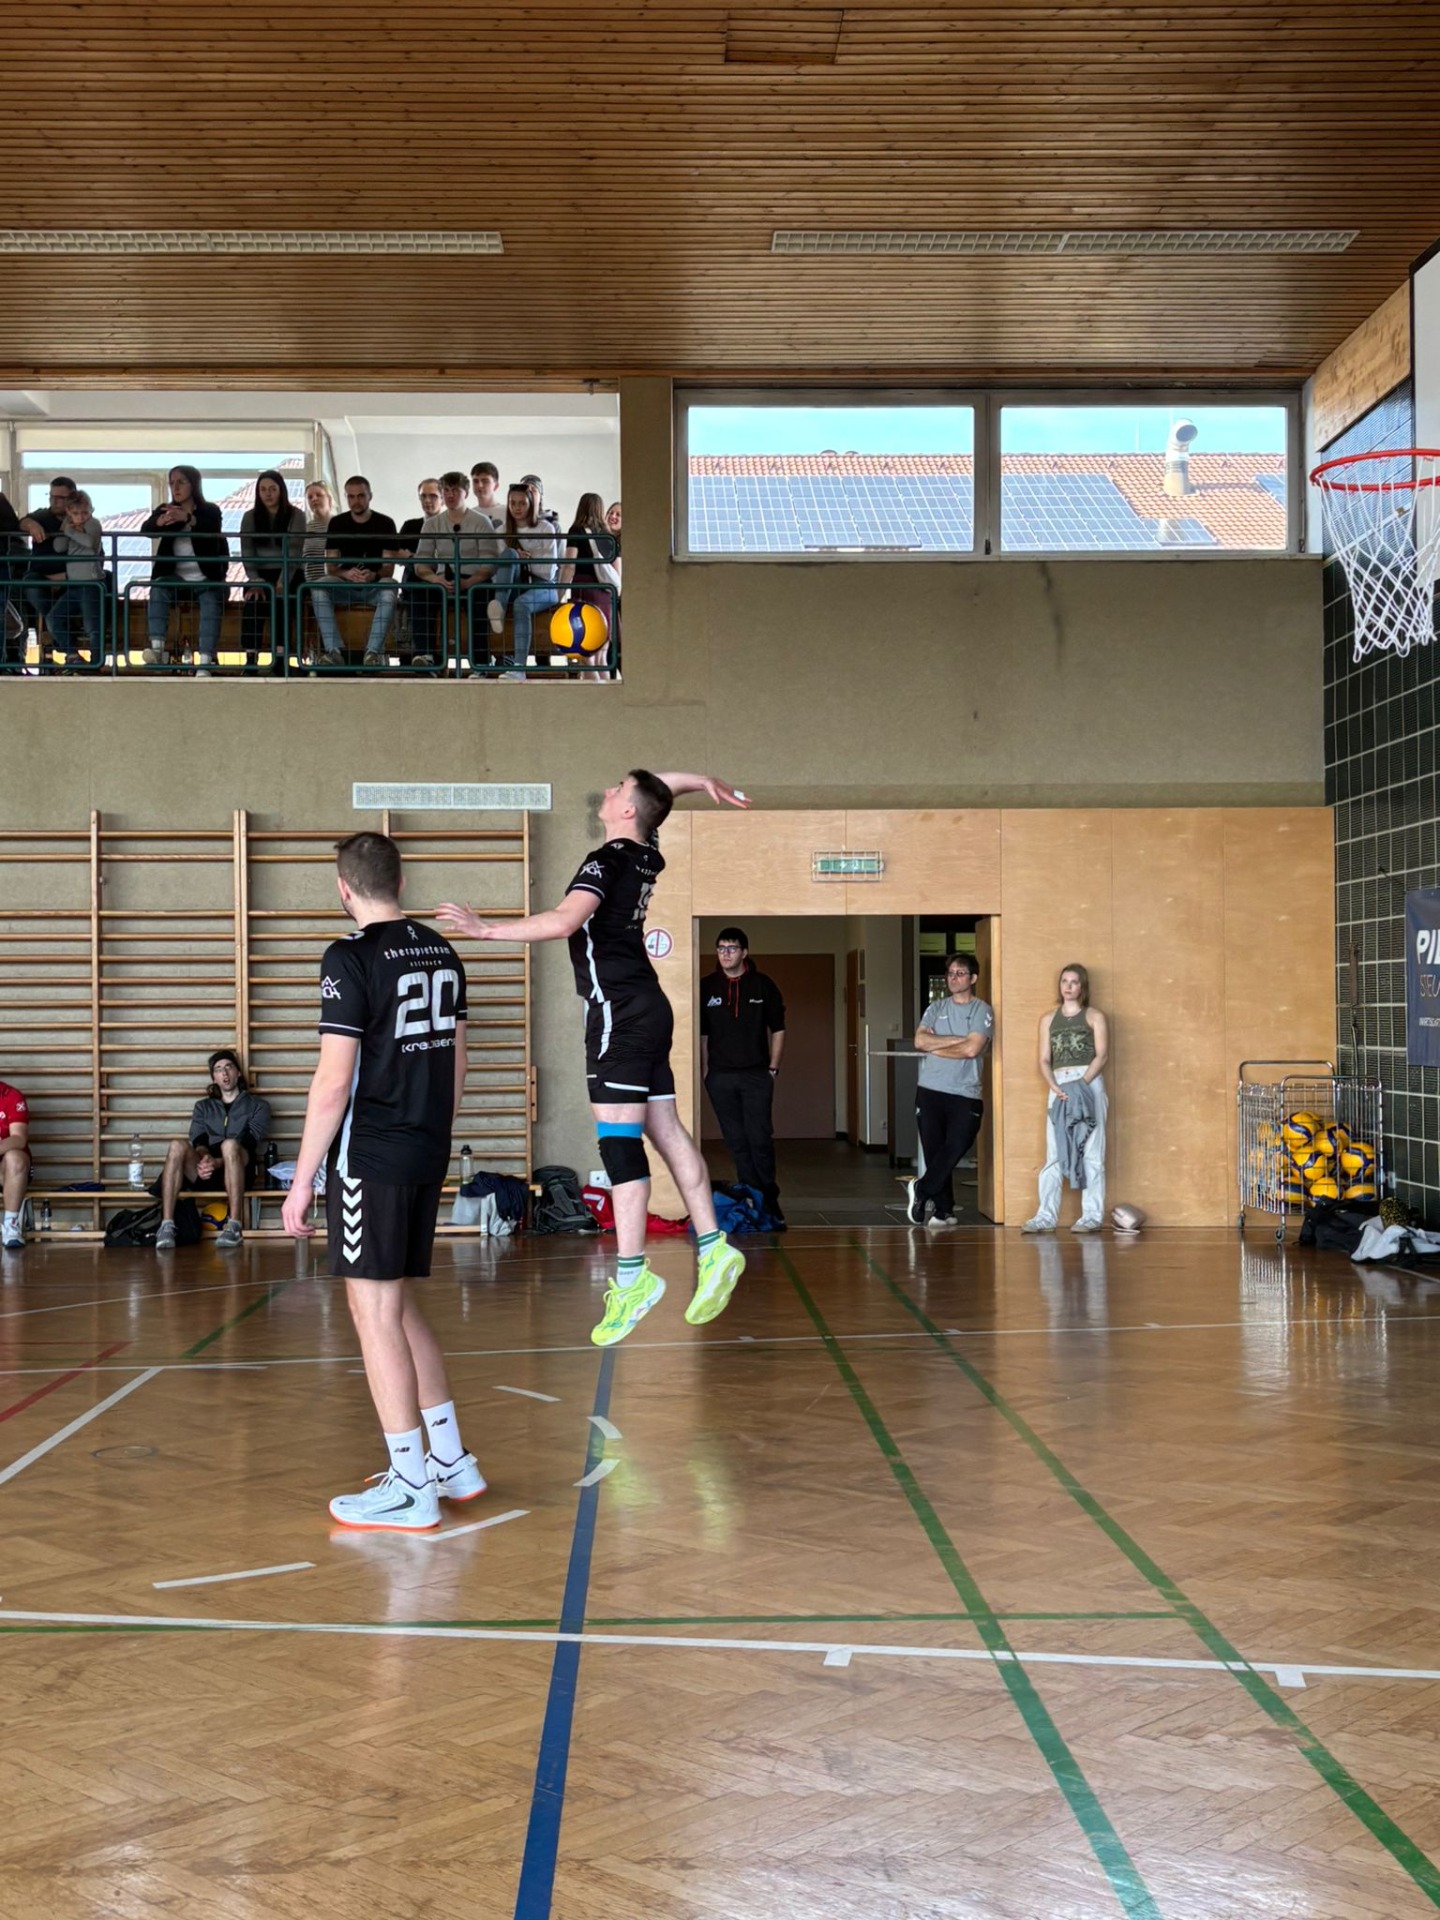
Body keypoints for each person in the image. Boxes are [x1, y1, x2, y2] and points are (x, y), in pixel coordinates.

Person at [437, 770, 749, 1346]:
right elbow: (655, 793)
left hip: (617, 1014)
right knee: (666, 1129)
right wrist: (700, 780)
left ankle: (632, 1278)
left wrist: (485, 932)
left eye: (616, 789)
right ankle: (713, 1247)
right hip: (649, 1007)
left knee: (619, 1143)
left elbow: (564, 921)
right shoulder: (647, 853)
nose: (606, 791)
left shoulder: (606, 860)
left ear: (629, 811)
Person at [281, 832, 482, 1532]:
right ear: (400, 881)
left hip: (368, 1157)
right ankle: (450, 1460)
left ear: (344, 887)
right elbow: (457, 1064)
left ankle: (410, 1484)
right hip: (425, 1148)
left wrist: (301, 1180)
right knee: (396, 1306)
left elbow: (333, 1082)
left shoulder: (350, 956)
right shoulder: (442, 949)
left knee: (372, 1315)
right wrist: (429, 1134)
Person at [699, 927, 787, 1227]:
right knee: (736, 1140)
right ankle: (751, 1197)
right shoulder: (706, 986)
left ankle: (768, 1200)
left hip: (756, 1076)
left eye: (732, 948)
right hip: (720, 1077)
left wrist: (773, 1068)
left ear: (744, 952)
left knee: (759, 1139)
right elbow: (702, 1035)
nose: (726, 953)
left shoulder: (763, 985)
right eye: (721, 948)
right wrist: (705, 1072)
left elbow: (778, 1029)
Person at [907, 953, 994, 1228]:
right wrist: (959, 1040)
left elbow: (972, 1049)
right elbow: (920, 1041)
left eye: (960, 973)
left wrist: (938, 1045)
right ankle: (944, 1211)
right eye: (950, 973)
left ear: (973, 978)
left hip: (965, 1093)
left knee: (957, 1145)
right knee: (935, 1152)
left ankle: (921, 1189)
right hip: (930, 1089)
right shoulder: (936, 1007)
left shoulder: (982, 1010)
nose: (953, 978)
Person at [1023, 963, 1110, 1235]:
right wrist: (1055, 1086)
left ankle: (1091, 1216)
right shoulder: (1048, 1019)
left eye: (1074, 982)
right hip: (1059, 1085)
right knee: (1054, 1152)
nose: (1068, 986)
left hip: (1088, 1082)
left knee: (1092, 1151)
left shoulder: (1095, 1016)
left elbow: (1102, 1055)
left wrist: (1080, 1085)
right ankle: (1045, 1216)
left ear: (1082, 986)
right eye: (1064, 981)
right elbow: (1044, 1059)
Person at [157, 1049, 273, 1251]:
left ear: (238, 1072)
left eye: (229, 1067)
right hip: (206, 1170)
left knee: (230, 1145)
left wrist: (218, 1162)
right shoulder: (203, 1107)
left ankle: (234, 1226)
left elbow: (249, 1142)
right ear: (214, 1077)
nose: (224, 1073)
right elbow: (199, 1139)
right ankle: (166, 1225)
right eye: (218, 1069)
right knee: (177, 1145)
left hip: (240, 1167)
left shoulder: (258, 1106)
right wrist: (205, 1159)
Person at [140, 466, 229, 676]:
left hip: (206, 578)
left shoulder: (209, 510)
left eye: (181, 482)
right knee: (158, 588)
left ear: (193, 484)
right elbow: (147, 529)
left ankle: (205, 660)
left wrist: (187, 518)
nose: (176, 487)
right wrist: (161, 521)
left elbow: (211, 527)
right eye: (172, 483)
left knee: (210, 600)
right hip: (175, 578)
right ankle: (157, 650)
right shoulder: (166, 509)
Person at [413, 471, 500, 673]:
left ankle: (480, 663)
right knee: (419, 593)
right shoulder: (431, 524)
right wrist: (434, 579)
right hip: (443, 580)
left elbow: (489, 563)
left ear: (466, 493)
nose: (450, 495)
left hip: (474, 580)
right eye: (446, 490)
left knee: (479, 598)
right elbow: (421, 562)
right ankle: (425, 655)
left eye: (455, 490)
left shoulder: (481, 522)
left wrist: (469, 582)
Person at [313, 476, 400, 668]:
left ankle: (373, 653)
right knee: (318, 586)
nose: (356, 501)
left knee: (391, 586)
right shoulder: (337, 523)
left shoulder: (385, 523)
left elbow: (389, 568)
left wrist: (374, 575)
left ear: (370, 496)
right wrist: (346, 574)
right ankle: (334, 651)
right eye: (351, 497)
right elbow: (331, 567)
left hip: (374, 586)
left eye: (361, 496)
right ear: (346, 498)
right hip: (345, 586)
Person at [487, 480, 564, 679]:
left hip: (544, 586)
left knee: (521, 604)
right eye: (513, 503)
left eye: (522, 503)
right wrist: (516, 557)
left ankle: (519, 668)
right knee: (510, 554)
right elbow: (497, 570)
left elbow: (547, 572)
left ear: (531, 504)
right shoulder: (501, 531)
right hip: (515, 584)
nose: (517, 508)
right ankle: (499, 607)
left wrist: (526, 561)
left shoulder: (545, 528)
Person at [239, 469, 303, 674]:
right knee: (253, 600)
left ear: (281, 490)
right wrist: (256, 580)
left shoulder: (296, 515)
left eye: (273, 489)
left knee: (282, 600)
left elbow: (294, 552)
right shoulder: (249, 517)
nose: (268, 494)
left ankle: (281, 657)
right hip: (260, 574)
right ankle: (251, 657)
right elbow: (247, 552)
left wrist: (283, 580)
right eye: (263, 489)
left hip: (289, 572)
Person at [17, 476, 77, 668]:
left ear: (72, 497)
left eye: (60, 498)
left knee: (98, 582)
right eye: (51, 496)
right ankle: (61, 635)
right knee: (30, 583)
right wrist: (30, 524)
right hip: (42, 581)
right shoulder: (42, 516)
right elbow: (21, 522)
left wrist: (63, 577)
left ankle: (58, 635)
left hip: (73, 581)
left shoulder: (81, 519)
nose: (54, 501)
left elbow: (96, 560)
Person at [560, 491, 619, 679]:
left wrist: (559, 593)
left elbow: (569, 566)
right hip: (605, 594)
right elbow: (616, 570)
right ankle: (607, 694)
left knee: (587, 655)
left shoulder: (576, 530)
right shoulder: (608, 536)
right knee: (602, 656)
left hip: (584, 590)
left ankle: (594, 694)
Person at [48, 489, 106, 668]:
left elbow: (90, 543)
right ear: (68, 512)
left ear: (91, 511)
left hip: (91, 584)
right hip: (73, 584)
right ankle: (72, 654)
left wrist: (71, 532)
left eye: (85, 512)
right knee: (53, 618)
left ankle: (96, 663)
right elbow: (59, 547)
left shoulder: (93, 524)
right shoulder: (70, 526)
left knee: (92, 626)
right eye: (75, 513)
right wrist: (67, 528)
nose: (81, 517)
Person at [392, 478, 442, 667]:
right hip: (414, 584)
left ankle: (426, 655)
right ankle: (417, 655)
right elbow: (397, 554)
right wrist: (419, 561)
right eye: (423, 496)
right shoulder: (410, 526)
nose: (428, 501)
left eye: (433, 496)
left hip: (439, 584)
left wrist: (413, 558)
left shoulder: (448, 525)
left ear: (442, 498)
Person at [301, 480, 337, 663]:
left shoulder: (339, 524)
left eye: (318, 495)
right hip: (310, 585)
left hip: (334, 583)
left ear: (329, 498)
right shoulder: (306, 529)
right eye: (310, 497)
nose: (314, 499)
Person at [0, 1076, 31, 1250]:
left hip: (8, 1170)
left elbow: (19, 1139)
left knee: (15, 1158)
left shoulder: (11, 1096)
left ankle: (11, 1225)